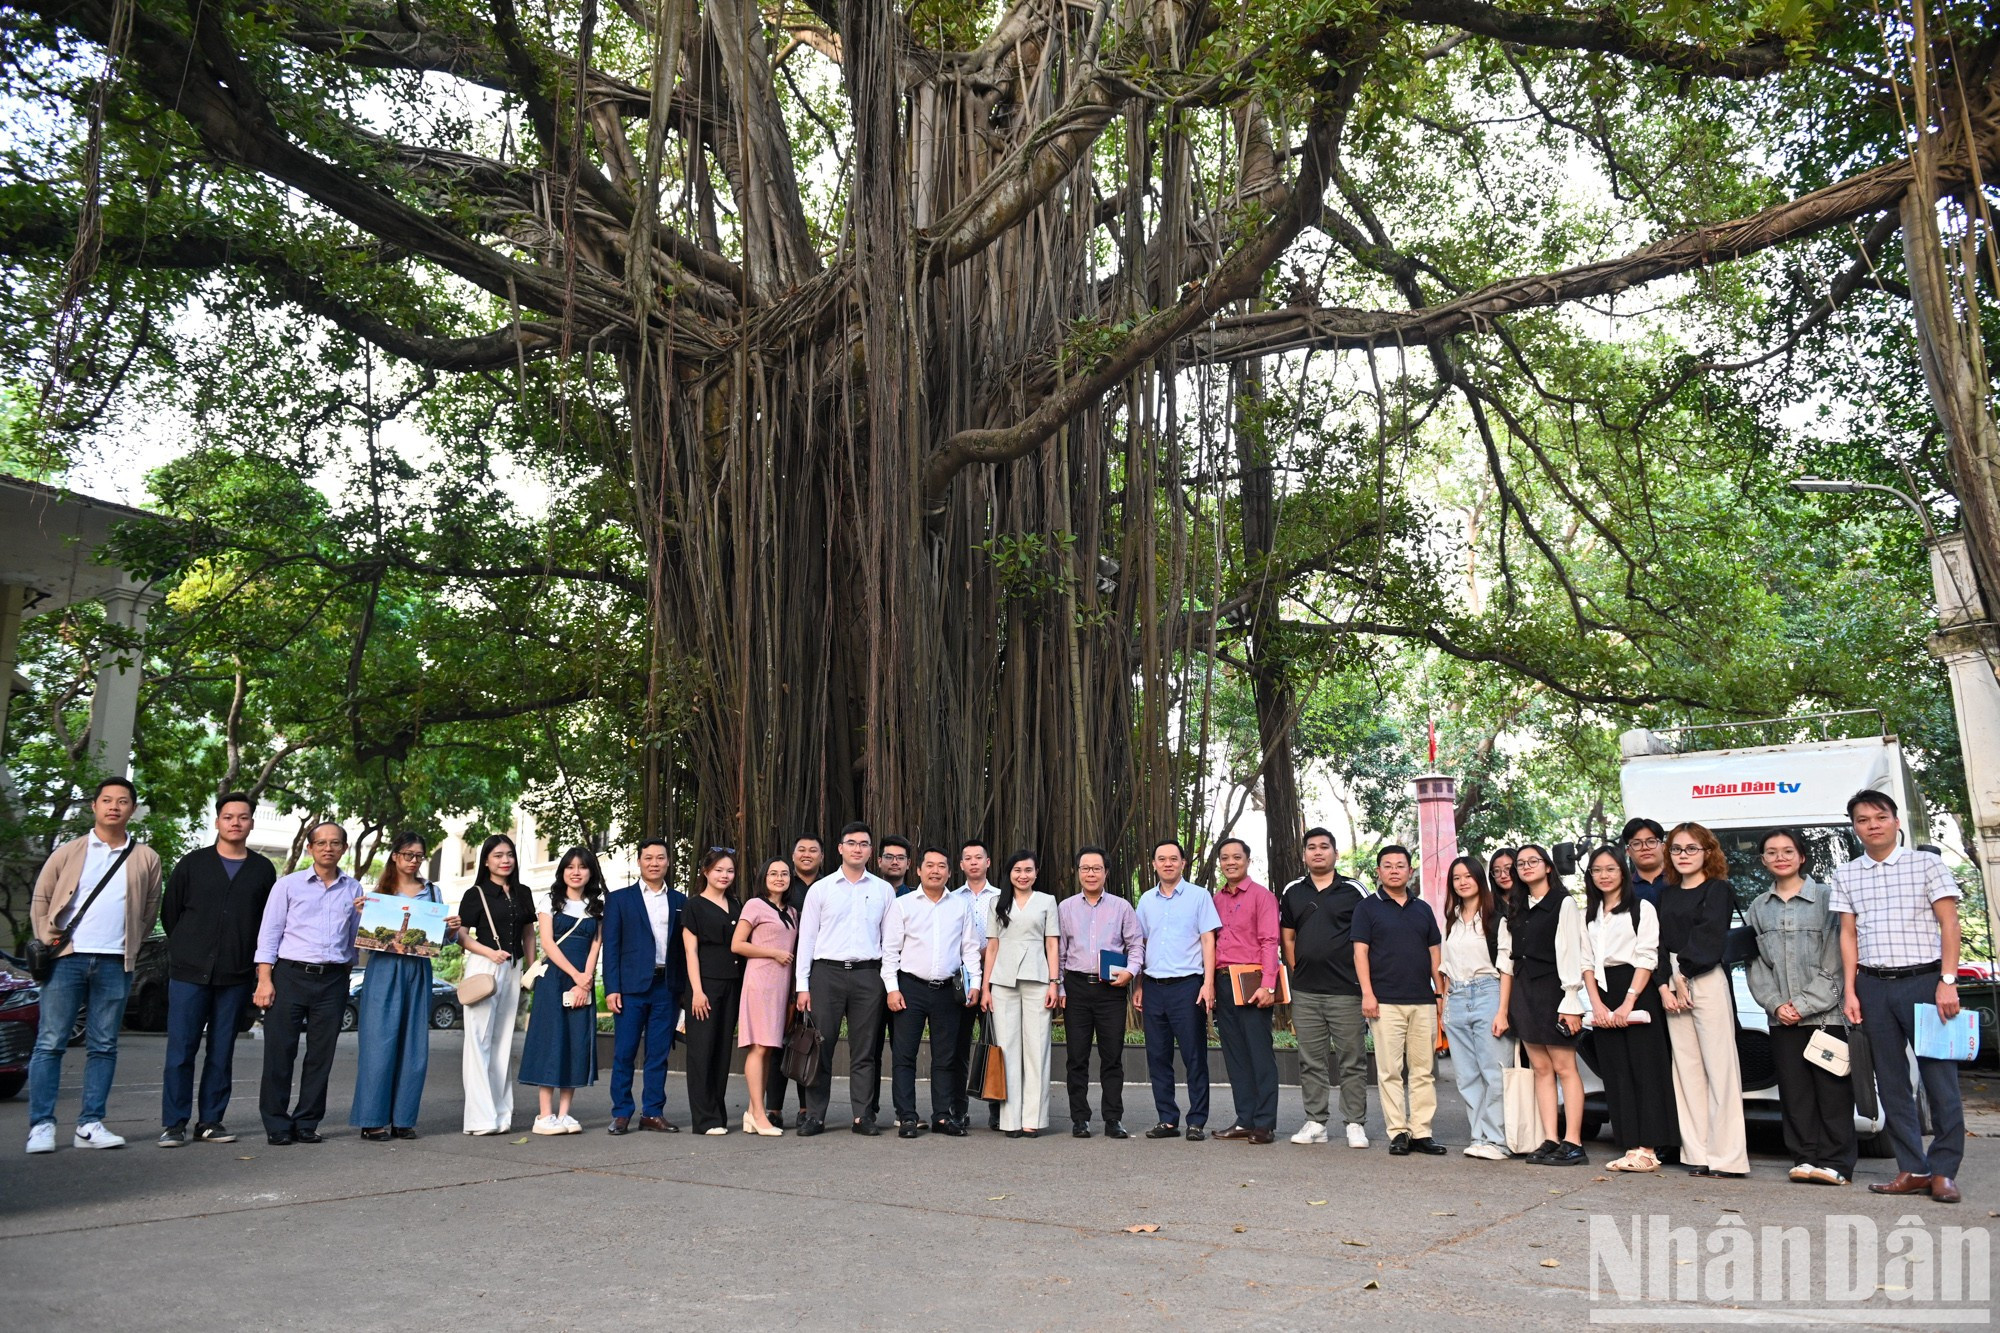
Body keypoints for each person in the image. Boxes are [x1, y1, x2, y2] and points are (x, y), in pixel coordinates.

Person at [1832, 789, 1965, 1203]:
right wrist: (1852, 991)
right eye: (1862, 819)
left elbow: (1949, 924)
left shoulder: (1927, 864)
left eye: (1879, 816)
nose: (1872, 825)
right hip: (1873, 987)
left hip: (1924, 983)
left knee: (1939, 1080)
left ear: (1896, 821)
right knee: (1891, 1083)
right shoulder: (1847, 873)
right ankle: (1913, 1168)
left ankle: (1944, 1171)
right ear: (1854, 827)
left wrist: (1947, 979)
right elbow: (1848, 935)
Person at [24, 776, 165, 1155]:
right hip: (67, 958)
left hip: (115, 962)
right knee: (51, 1042)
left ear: (132, 810)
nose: (114, 806)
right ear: (94, 806)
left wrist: (130, 944)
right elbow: (42, 897)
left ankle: (89, 1124)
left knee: (103, 1044)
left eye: (122, 801)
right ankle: (41, 1125)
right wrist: (49, 937)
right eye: (106, 800)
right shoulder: (70, 851)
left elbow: (150, 909)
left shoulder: (146, 857)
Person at [157, 791, 277, 1148]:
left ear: (251, 823)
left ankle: (210, 1121)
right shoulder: (192, 864)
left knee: (221, 1050)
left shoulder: (262, 870)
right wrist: (185, 949)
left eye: (242, 817)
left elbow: (266, 923)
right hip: (189, 972)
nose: (235, 823)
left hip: (235, 975)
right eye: (228, 817)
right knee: (181, 1050)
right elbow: (171, 913)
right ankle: (174, 1123)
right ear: (217, 821)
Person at [1746, 828, 1854, 1186]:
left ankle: (1835, 1162)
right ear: (1763, 860)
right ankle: (1805, 1158)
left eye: (1788, 850)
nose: (1780, 857)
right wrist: (1777, 1006)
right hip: (1782, 1021)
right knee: (1794, 1092)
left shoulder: (1826, 898)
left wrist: (1804, 1004)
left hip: (1826, 1016)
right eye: (1772, 852)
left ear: (1802, 856)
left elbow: (1836, 958)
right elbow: (1756, 965)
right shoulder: (1758, 907)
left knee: (1832, 1091)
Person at [253, 821, 362, 1147]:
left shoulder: (354, 889)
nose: (328, 848)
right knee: (279, 1051)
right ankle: (276, 1122)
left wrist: (364, 916)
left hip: (333, 980)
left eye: (335, 843)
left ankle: (307, 1122)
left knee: (321, 1055)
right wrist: (264, 980)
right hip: (290, 976)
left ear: (344, 848)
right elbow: (269, 935)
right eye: (321, 842)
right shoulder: (287, 886)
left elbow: (358, 941)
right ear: (310, 848)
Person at [350, 831, 457, 1140]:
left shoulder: (432, 893)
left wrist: (451, 929)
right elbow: (365, 939)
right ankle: (372, 1120)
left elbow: (443, 941)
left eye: (419, 856)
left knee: (414, 1044)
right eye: (408, 854)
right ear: (395, 856)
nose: (413, 861)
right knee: (378, 1043)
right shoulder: (379, 893)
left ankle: (403, 1119)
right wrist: (360, 915)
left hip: (418, 970)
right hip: (383, 970)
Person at [1657, 821, 1749, 1178]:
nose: (1683, 855)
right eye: (1677, 849)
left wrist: (1684, 975)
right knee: (1687, 1070)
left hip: (1705, 979)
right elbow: (1659, 942)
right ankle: (1697, 1153)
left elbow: (1710, 936)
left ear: (1708, 852)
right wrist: (1667, 983)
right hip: (1672, 984)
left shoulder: (1718, 889)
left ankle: (1727, 1158)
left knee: (1720, 1068)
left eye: (1691, 848)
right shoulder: (1666, 894)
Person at [1579, 846, 1677, 1175]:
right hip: (1603, 993)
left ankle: (1649, 1149)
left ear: (1623, 871)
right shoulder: (1590, 915)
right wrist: (1596, 1003)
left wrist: (1628, 1001)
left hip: (1637, 990)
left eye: (1610, 869)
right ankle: (1630, 1146)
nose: (1604, 875)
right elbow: (1586, 962)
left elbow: (1647, 955)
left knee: (1646, 1071)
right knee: (1617, 1072)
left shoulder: (1641, 908)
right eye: (1597, 870)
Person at [795, 821, 896, 1136]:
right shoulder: (821, 889)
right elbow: (807, 941)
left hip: (868, 975)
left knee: (864, 1049)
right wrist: (802, 985)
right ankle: (815, 1115)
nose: (857, 848)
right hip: (827, 974)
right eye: (851, 843)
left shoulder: (883, 890)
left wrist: (888, 984)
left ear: (870, 851)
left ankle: (862, 1116)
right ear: (840, 848)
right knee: (819, 1046)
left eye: (864, 844)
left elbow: (890, 944)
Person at [1497, 843, 1588, 1166]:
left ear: (1548, 866)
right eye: (1520, 863)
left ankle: (1573, 1141)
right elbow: (1505, 960)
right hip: (1524, 990)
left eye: (1533, 861)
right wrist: (1504, 1008)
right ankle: (1550, 1138)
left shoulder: (1563, 904)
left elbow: (1570, 953)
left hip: (1555, 989)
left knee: (1565, 1067)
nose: (1526, 867)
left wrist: (1571, 999)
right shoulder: (1515, 907)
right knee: (1540, 1068)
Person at [1281, 827, 1372, 1148]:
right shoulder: (1293, 891)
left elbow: (1365, 939)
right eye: (1311, 847)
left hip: (1347, 990)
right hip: (1306, 992)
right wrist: (1297, 970)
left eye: (1324, 847)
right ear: (1304, 854)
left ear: (1335, 853)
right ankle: (1316, 1122)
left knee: (1352, 1059)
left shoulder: (1354, 890)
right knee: (1311, 1060)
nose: (1317, 852)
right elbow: (1288, 937)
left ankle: (1354, 1123)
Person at [1352, 845, 1445, 1157]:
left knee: (1423, 1070)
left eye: (1400, 865)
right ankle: (1398, 1132)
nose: (1394, 870)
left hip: (1422, 1000)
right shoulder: (1367, 908)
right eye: (1387, 866)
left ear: (1410, 871)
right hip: (1385, 1001)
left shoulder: (1423, 909)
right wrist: (1368, 993)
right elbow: (1360, 953)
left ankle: (1421, 1131)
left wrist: (1439, 994)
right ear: (1378, 872)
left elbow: (1435, 955)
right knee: (1390, 1070)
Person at [883, 846, 982, 1137]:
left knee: (946, 1057)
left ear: (950, 872)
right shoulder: (903, 905)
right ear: (918, 870)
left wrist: (974, 984)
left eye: (942, 866)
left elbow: (970, 949)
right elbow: (890, 951)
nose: (935, 871)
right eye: (930, 865)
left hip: (947, 991)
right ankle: (908, 1116)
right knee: (904, 1056)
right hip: (909, 988)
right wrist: (892, 988)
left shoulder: (960, 906)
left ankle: (942, 1115)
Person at [1134, 839, 1220, 1141]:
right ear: (1154, 864)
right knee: (1157, 1056)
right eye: (1161, 859)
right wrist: (1140, 984)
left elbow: (1209, 940)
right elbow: (1140, 945)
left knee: (1194, 1056)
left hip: (1188, 986)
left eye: (1174, 858)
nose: (1168, 863)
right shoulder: (1145, 901)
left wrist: (1208, 984)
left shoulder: (1199, 897)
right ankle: (1167, 1119)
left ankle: (1196, 1120)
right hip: (1154, 987)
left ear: (1183, 863)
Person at [1057, 845, 1143, 1139]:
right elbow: (1059, 952)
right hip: (1077, 988)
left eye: (1096, 868)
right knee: (1076, 1057)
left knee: (1112, 1056)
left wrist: (1130, 972)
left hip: (1111, 990)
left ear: (1106, 872)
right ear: (1077, 872)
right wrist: (1059, 985)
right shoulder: (1065, 907)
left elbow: (1136, 946)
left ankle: (1113, 1118)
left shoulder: (1121, 907)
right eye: (1085, 868)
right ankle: (1080, 1118)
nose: (1090, 873)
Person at [519, 847, 605, 1134]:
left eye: (582, 866)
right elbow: (548, 943)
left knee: (575, 1041)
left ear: (591, 871)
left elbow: (596, 944)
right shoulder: (549, 901)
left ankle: (565, 1114)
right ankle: (544, 1115)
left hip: (583, 979)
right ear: (563, 871)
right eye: (570, 866)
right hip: (555, 979)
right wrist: (576, 975)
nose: (576, 871)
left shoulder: (597, 905)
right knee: (550, 1040)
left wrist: (586, 979)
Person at [457, 833, 538, 1135]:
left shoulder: (523, 892)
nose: (505, 861)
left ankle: (501, 1115)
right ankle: (479, 1119)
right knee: (478, 1042)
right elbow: (462, 936)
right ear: (487, 860)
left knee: (503, 1041)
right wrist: (489, 951)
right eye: (498, 856)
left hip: (514, 968)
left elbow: (529, 933)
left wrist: (532, 969)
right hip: (484, 967)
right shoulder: (475, 893)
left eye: (509, 855)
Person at [602, 838, 684, 1134]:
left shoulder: (679, 901)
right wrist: (612, 987)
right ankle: (622, 1112)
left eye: (660, 858)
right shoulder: (620, 899)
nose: (654, 863)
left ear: (667, 862)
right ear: (639, 861)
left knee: (658, 1053)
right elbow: (610, 947)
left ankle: (652, 1112)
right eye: (648, 858)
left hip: (667, 986)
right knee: (624, 1052)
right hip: (631, 988)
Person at [981, 850, 1061, 1137]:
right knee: (1007, 1049)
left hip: (1038, 979)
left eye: (1028, 870)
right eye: (1017, 870)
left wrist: (1055, 982)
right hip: (1002, 981)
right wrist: (985, 988)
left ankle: (1034, 1119)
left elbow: (1052, 945)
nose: (1023, 875)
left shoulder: (1047, 902)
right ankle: (1010, 1119)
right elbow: (992, 946)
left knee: (1037, 1049)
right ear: (1009, 873)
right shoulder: (996, 903)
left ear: (1036, 873)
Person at [1437, 856, 1508, 1161]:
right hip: (1457, 995)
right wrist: (1444, 1003)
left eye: (1468, 876)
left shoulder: (1496, 917)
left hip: (1488, 992)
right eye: (1456, 878)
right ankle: (1478, 1135)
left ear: (1480, 879)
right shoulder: (1452, 918)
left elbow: (1507, 967)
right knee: (1466, 1074)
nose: (1463, 882)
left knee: (1494, 1072)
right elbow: (1446, 966)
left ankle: (1498, 1140)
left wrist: (1503, 1011)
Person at [1210, 837, 1280, 1144]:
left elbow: (1269, 942)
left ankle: (1264, 1123)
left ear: (1248, 861)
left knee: (1259, 1053)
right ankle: (1245, 1119)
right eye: (1225, 858)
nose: (1230, 862)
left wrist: (1268, 984)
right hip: (1223, 980)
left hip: (1251, 980)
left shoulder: (1262, 897)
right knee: (1235, 1053)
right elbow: (1209, 943)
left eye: (1236, 857)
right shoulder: (1215, 900)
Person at [733, 858, 799, 1136]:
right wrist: (772, 953)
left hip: (781, 987)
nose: (779, 878)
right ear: (763, 876)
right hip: (760, 981)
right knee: (758, 1047)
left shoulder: (792, 911)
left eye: (784, 873)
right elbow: (737, 944)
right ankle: (759, 1115)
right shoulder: (754, 905)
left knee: (770, 1047)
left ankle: (752, 1110)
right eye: (773, 873)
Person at [763, 833, 825, 1127]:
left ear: (823, 857)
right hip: (782, 973)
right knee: (779, 1038)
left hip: (819, 974)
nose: (807, 854)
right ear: (792, 855)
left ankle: (805, 1108)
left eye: (813, 850)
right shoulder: (785, 891)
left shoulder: (829, 887)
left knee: (806, 1039)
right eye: (801, 850)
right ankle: (773, 1107)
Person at [682, 849, 744, 1135]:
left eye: (729, 871)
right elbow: (690, 952)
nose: (724, 875)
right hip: (705, 985)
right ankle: (704, 1119)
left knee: (721, 1050)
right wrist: (697, 990)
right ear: (706, 871)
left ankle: (717, 1114)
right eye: (719, 870)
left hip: (733, 983)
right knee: (701, 1050)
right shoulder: (693, 906)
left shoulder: (736, 904)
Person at [863, 834, 915, 1124]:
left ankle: (903, 1112)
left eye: (900, 858)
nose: (894, 862)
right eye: (889, 857)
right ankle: (867, 1109)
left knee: (902, 1048)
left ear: (909, 864)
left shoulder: (916, 898)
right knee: (868, 1047)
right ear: (878, 860)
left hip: (903, 982)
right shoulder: (867, 892)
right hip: (870, 979)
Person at [950, 838, 1001, 1131]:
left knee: (995, 1044)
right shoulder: (952, 898)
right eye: (967, 858)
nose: (973, 862)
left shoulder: (1003, 897)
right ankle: (958, 1110)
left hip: (995, 979)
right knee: (958, 1046)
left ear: (987, 862)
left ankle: (997, 1109)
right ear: (961, 865)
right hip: (962, 979)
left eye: (978, 857)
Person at [1621, 819, 1669, 906]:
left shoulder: (1680, 879)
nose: (1645, 848)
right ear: (1628, 851)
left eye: (1651, 842)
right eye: (1636, 844)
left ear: (1663, 847)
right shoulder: (1623, 889)